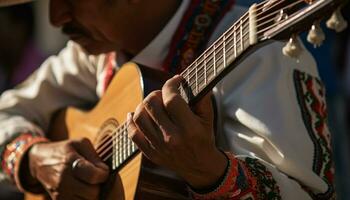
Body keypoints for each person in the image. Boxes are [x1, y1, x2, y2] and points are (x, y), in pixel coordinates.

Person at [0, 0, 335, 199]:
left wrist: (209, 171)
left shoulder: (264, 56)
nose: (56, 17)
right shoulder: (91, 54)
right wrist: (31, 158)